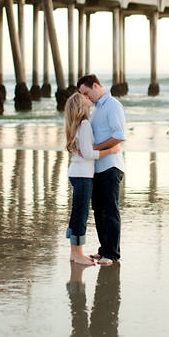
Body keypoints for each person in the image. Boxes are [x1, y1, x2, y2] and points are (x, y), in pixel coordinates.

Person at [64, 92, 121, 265]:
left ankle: (75, 253)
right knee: (80, 215)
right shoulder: (85, 124)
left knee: (76, 214)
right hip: (83, 175)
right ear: (82, 106)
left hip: (75, 172)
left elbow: (84, 150)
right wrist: (110, 151)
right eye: (85, 99)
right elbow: (88, 153)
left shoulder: (73, 124)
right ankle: (78, 254)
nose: (89, 100)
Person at [76, 74, 127, 265]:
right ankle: (103, 249)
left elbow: (119, 136)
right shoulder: (97, 108)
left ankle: (112, 254)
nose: (85, 98)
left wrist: (94, 149)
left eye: (86, 93)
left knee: (110, 210)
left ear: (96, 86)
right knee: (98, 209)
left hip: (111, 165)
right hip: (97, 167)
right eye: (82, 95)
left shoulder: (112, 105)